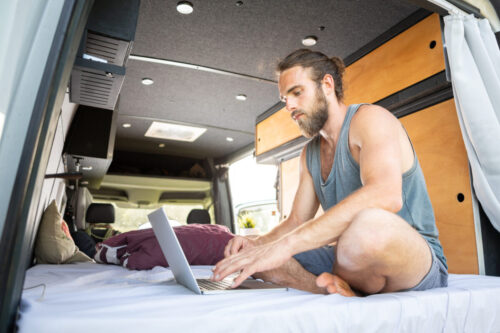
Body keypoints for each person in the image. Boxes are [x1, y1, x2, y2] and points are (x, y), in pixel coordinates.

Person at [212, 49, 448, 296]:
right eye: (284, 100)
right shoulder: (309, 154)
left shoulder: (370, 120)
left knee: (367, 227)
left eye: (296, 92)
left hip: (412, 259)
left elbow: (385, 195)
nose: (289, 106)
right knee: (255, 261)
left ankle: (340, 285)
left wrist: (287, 245)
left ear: (326, 84)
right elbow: (296, 221)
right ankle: (334, 291)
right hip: (349, 257)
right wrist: (256, 245)